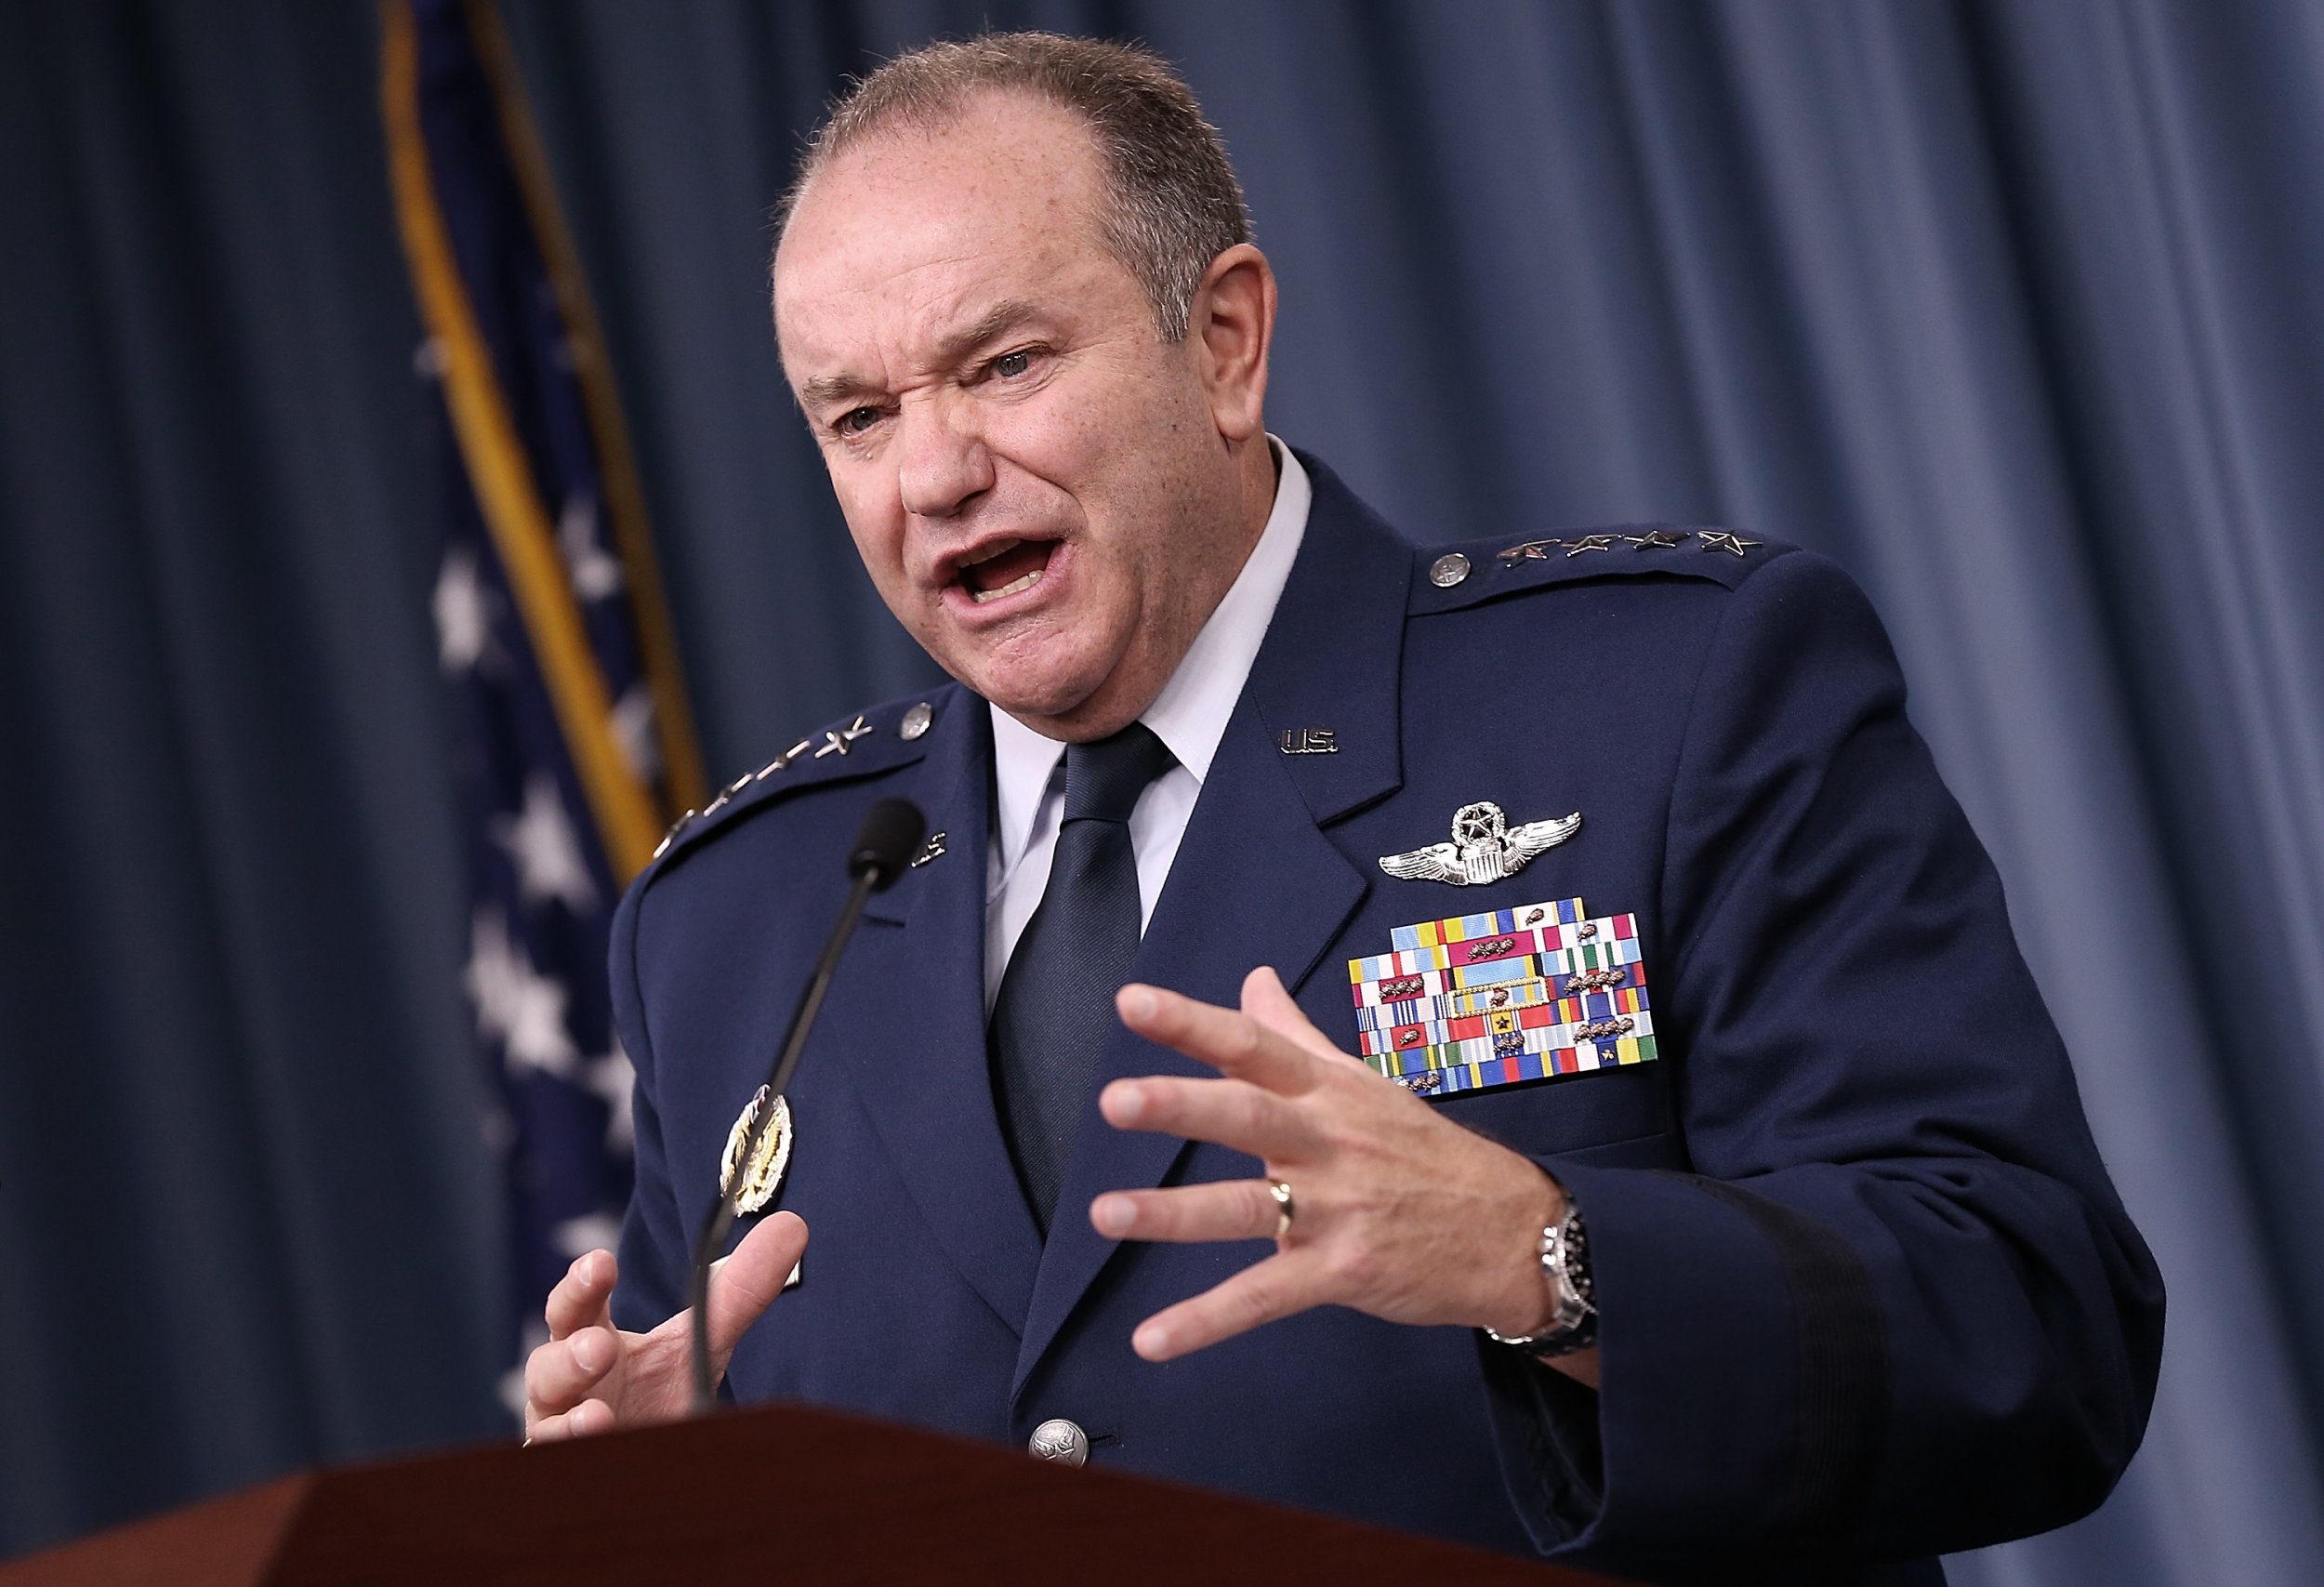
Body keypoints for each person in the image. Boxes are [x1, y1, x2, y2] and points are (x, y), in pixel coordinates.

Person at [519, 33, 2162, 1585]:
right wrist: (682, 1510)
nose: (930, 473)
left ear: (1223, 339)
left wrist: (1553, 1257)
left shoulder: (1663, 701)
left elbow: (2034, 1321)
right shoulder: (744, 915)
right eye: (859, 417)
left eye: (1003, 363)